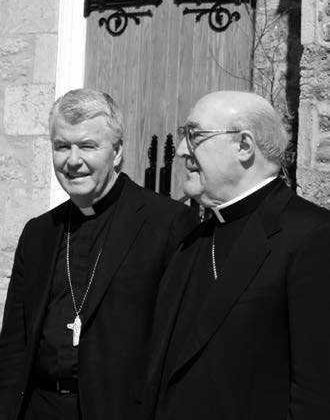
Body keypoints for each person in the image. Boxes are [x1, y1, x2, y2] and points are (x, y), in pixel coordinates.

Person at [0, 88, 197, 420]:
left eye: (88, 146)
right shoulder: (39, 232)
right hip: (39, 408)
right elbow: (14, 346)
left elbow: (180, 343)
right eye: (62, 146)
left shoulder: (167, 223)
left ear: (117, 151)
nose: (73, 160)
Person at [144, 90, 330, 420]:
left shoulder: (312, 238)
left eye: (195, 135)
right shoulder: (192, 240)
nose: (183, 149)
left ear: (244, 146)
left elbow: (316, 391)